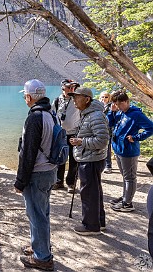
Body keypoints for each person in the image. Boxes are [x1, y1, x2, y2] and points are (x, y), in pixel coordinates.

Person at [15, 79, 57, 271]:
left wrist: (20, 181)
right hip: (50, 171)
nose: (24, 98)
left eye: (25, 95)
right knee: (43, 213)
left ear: (30, 96)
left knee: (36, 215)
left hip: (37, 174)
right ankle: (39, 247)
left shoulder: (35, 117)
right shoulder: (51, 113)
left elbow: (28, 153)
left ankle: (43, 258)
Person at [68, 88, 109, 235]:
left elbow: (102, 141)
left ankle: (91, 226)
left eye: (77, 97)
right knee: (95, 191)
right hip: (90, 158)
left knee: (89, 193)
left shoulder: (95, 116)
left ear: (87, 99)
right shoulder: (89, 114)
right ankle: (99, 222)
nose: (74, 100)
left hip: (91, 159)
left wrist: (81, 141)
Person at [107, 90, 153, 212]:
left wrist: (136, 138)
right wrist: (112, 112)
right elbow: (109, 124)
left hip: (129, 151)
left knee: (130, 177)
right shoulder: (119, 112)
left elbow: (151, 128)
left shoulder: (136, 114)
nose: (117, 107)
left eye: (119, 104)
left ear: (126, 101)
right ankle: (125, 197)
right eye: (116, 104)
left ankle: (127, 203)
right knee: (125, 176)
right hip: (118, 148)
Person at [52, 79, 81, 193]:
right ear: (63, 88)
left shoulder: (76, 100)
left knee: (74, 159)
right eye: (68, 87)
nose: (71, 89)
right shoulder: (56, 101)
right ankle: (59, 182)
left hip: (74, 133)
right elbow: (52, 116)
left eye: (72, 87)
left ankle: (71, 183)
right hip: (61, 134)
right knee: (60, 158)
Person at [99, 91, 113, 174]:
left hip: (108, 131)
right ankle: (102, 165)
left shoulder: (111, 107)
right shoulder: (96, 107)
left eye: (106, 97)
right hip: (99, 130)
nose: (104, 99)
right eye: (102, 97)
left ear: (109, 98)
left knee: (107, 148)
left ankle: (108, 166)